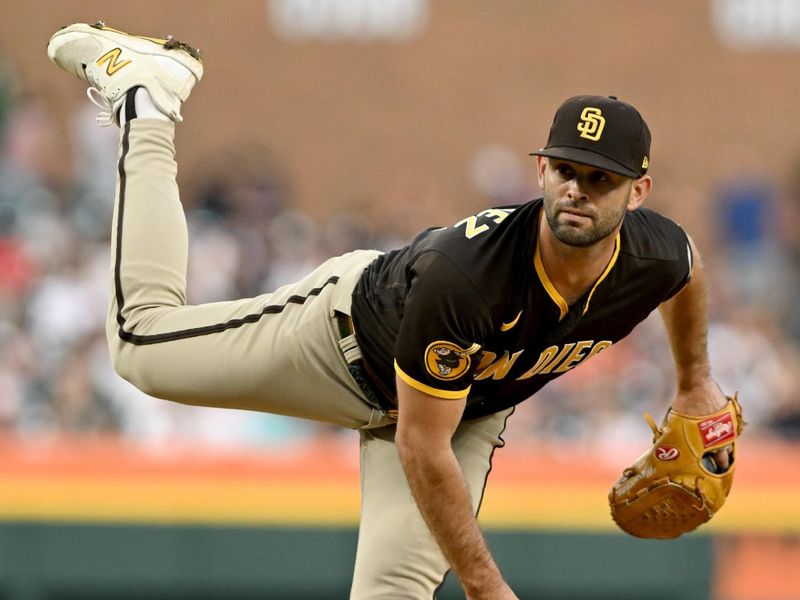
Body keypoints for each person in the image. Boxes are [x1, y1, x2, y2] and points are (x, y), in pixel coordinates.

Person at [47, 22, 733, 599]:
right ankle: (148, 100)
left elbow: (689, 269)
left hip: (460, 412)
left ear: (637, 192)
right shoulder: (471, 277)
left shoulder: (656, 253)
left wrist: (695, 380)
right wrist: (487, 586)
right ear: (540, 172)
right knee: (139, 345)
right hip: (340, 348)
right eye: (565, 170)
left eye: (600, 178)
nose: (577, 190)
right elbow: (419, 445)